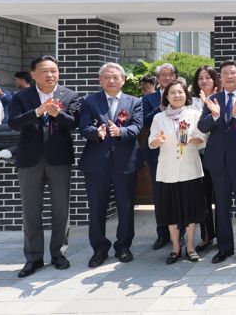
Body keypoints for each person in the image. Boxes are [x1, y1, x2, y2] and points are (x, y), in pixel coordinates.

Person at [8, 55, 80, 278]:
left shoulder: (69, 95)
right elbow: (13, 123)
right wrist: (37, 112)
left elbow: (75, 123)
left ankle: (59, 253)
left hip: (59, 159)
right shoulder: (22, 97)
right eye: (45, 71)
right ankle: (34, 258)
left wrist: (58, 115)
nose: (50, 75)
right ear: (33, 74)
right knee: (31, 211)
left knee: (61, 210)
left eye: (54, 71)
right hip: (30, 161)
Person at [78, 62, 143, 268]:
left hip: (125, 163)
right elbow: (84, 126)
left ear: (123, 80)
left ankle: (123, 246)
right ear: (100, 80)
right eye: (107, 77)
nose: (111, 80)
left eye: (115, 77)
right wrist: (95, 133)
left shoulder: (134, 101)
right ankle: (99, 249)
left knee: (125, 206)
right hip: (97, 163)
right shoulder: (90, 101)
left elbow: (138, 126)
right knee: (97, 207)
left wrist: (121, 132)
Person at [197, 60, 236, 264]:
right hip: (218, 162)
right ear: (220, 78)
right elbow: (203, 127)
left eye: (233, 73)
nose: (229, 76)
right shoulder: (213, 99)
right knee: (221, 206)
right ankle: (225, 248)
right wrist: (214, 115)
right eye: (225, 73)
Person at [148, 81, 207, 264]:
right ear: (166, 96)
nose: (177, 95)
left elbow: (203, 138)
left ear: (186, 95)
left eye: (180, 92)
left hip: (190, 169)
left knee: (190, 210)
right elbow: (151, 142)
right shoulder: (159, 117)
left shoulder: (195, 114)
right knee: (171, 211)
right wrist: (157, 140)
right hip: (168, 171)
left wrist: (192, 139)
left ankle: (190, 247)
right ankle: (175, 247)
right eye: (172, 92)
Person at [143, 63, 179, 250]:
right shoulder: (149, 99)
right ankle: (162, 233)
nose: (167, 78)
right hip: (156, 153)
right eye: (163, 75)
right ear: (158, 79)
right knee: (160, 194)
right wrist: (160, 107)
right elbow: (144, 122)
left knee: (178, 193)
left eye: (170, 74)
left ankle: (180, 232)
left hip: (179, 153)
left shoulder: (182, 96)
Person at [190, 66, 220, 252]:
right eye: (200, 78)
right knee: (204, 197)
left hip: (219, 154)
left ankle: (223, 235)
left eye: (208, 77)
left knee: (222, 197)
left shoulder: (222, 98)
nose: (204, 81)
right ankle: (207, 235)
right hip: (198, 154)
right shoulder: (190, 102)